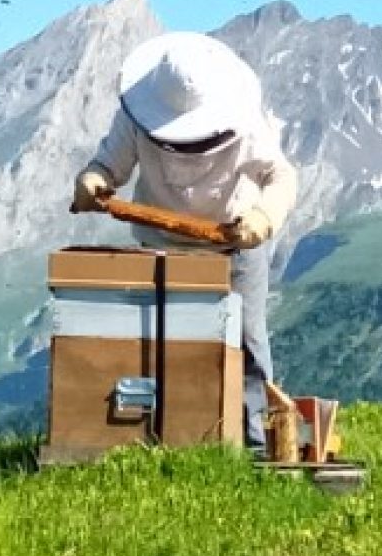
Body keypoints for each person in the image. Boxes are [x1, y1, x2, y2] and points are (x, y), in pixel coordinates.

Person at [72, 31, 297, 456]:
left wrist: (263, 218)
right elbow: (109, 164)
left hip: (234, 242)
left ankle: (255, 444)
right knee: (159, 342)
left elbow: (281, 176)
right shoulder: (137, 113)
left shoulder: (245, 120)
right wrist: (94, 179)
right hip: (161, 246)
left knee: (248, 341)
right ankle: (165, 437)